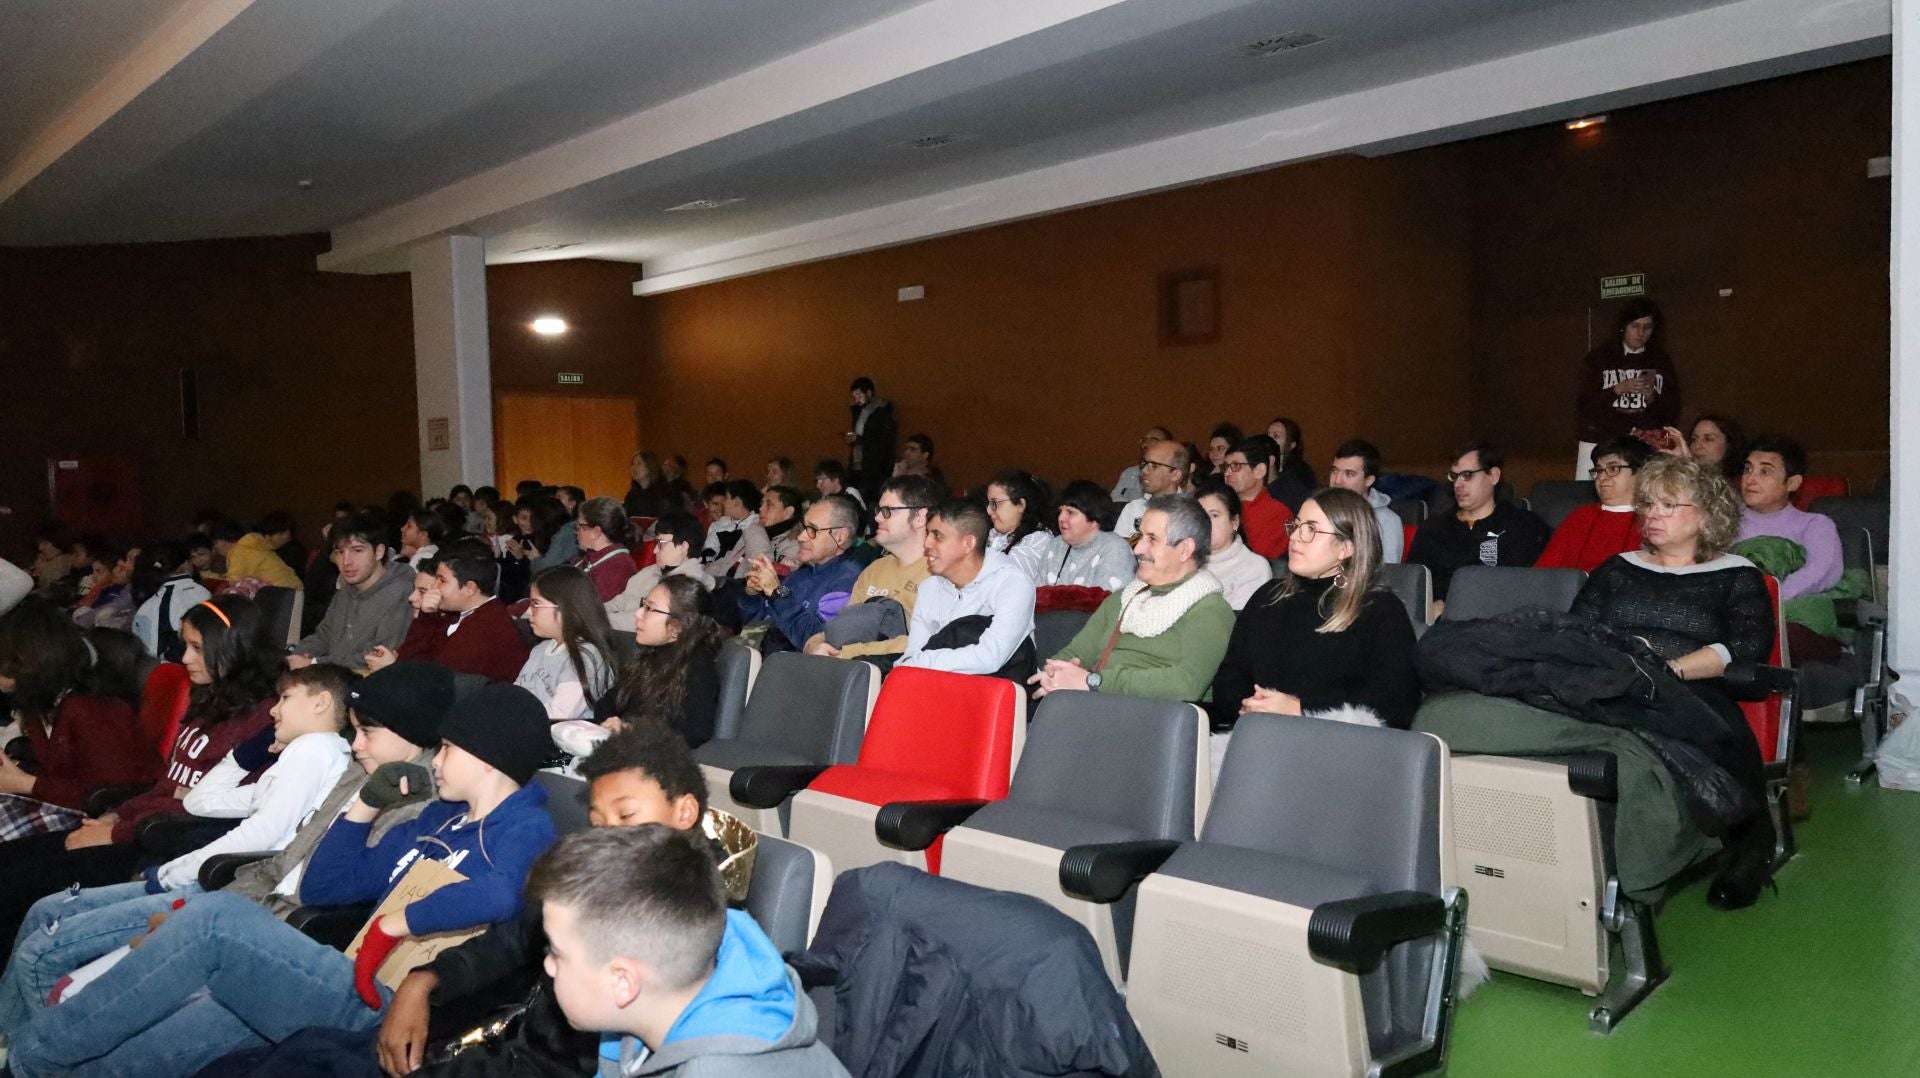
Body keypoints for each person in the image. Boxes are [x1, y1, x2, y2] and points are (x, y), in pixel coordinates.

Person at [2, 685, 559, 1078]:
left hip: (386, 1004)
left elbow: (506, 894)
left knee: (218, 920)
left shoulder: (528, 825)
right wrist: (364, 805)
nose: (435, 760)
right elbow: (324, 887)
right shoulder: (436, 818)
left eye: (449, 749)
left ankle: (23, 1060)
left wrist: (400, 919)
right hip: (346, 976)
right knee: (133, 1059)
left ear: (488, 758)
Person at [0, 662, 453, 1041]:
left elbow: (309, 883)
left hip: (268, 927)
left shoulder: (382, 786)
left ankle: (26, 1053)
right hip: (235, 900)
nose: (357, 745)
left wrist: (191, 910)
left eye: (367, 732)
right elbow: (215, 811)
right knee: (47, 936)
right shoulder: (359, 768)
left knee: (52, 965)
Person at [364, 721, 744, 1078]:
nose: (609, 834)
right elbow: (514, 939)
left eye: (626, 814)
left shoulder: (697, 924)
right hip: (484, 1039)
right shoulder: (599, 878)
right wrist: (427, 978)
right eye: (598, 821)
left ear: (684, 812)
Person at [0, 594, 277, 944]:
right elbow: (166, 785)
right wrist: (115, 816)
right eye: (185, 646)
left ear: (234, 649)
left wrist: (116, 833)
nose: (185, 658)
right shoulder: (210, 701)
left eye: (196, 647)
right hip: (137, 823)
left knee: (17, 888)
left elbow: (200, 811)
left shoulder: (260, 723)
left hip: (164, 842)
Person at [1570, 455, 1777, 910]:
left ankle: (1749, 844)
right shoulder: (1616, 569)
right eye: (1648, 505)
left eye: (1669, 505)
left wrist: (1671, 671)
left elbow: (1745, 648)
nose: (1653, 515)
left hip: (1692, 688)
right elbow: (1577, 633)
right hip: (1612, 686)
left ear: (1706, 514)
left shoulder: (1736, 576)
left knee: (1702, 727)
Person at [530, 824, 847, 1077]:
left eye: (557, 953)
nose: (548, 965)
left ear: (623, 983)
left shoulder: (720, 1070)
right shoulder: (637, 1023)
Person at [1208, 488, 1421, 738]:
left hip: (1335, 746)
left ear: (1346, 548)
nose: (1295, 537)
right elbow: (1228, 681)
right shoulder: (1268, 597)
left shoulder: (1379, 609)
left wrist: (1301, 708)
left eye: (1311, 529)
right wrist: (1251, 706)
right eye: (1296, 526)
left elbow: (1396, 702)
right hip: (1256, 737)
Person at [1032, 494, 1234, 703]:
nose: (1137, 549)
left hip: (1156, 724)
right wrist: (1056, 671)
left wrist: (1094, 681)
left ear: (1184, 549)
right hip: (1097, 708)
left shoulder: (1209, 610)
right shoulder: (1123, 598)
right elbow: (1077, 651)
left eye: (1152, 539)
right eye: (1140, 537)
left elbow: (1186, 685)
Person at [0, 599, 161, 842]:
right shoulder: (39, 705)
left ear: (26, 661)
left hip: (107, 822)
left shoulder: (93, 709)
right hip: (64, 806)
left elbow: (112, 796)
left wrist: (25, 783)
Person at [804, 476, 938, 664]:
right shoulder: (874, 570)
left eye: (887, 511)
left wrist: (847, 653)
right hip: (853, 671)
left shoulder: (939, 573)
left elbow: (926, 644)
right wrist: (814, 645)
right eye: (878, 510)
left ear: (920, 517)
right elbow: (841, 627)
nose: (877, 518)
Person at [898, 498, 1038, 678]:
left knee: (969, 629)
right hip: (937, 685)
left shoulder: (1013, 584)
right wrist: (913, 665)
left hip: (997, 689)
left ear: (968, 544)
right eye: (928, 534)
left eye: (937, 535)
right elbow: (914, 652)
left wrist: (919, 663)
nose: (927, 544)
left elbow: (990, 658)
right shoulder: (929, 587)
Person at [1409, 442, 1551, 613]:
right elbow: (1414, 585)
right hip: (1442, 623)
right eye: (1454, 477)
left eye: (1467, 475)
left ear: (1493, 476)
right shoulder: (1434, 528)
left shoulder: (1523, 525)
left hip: (1501, 622)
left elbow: (1528, 587)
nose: (1458, 485)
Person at [598, 577, 725, 748]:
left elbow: (693, 735)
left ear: (678, 626)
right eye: (643, 605)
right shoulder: (649, 657)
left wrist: (630, 731)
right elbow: (606, 705)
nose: (638, 614)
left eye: (649, 609)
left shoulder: (698, 670)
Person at [738, 495, 864, 652]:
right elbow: (754, 622)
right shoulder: (802, 574)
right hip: (761, 654)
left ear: (839, 537)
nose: (800, 536)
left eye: (812, 530)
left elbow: (813, 639)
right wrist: (752, 594)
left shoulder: (849, 580)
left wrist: (777, 593)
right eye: (804, 527)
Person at [290, 513, 416, 669]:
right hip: (333, 678)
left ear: (379, 552)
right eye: (340, 552)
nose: (346, 562)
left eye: (357, 551)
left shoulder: (401, 593)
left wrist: (314, 663)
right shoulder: (346, 590)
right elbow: (323, 636)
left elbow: (378, 655)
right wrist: (295, 656)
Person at [1576, 297, 1680, 478]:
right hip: (1602, 441)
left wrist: (1652, 398)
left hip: (1647, 443)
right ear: (1623, 326)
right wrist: (1616, 390)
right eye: (1635, 326)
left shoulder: (1661, 360)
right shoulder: (1599, 358)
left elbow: (1672, 411)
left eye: (1647, 327)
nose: (1641, 333)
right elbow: (1584, 405)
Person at [404, 541, 530, 682]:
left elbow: (421, 680)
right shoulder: (467, 615)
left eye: (442, 580)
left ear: (470, 588)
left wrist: (425, 619)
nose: (433, 586)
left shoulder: (482, 631)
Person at [1736, 435, 1843, 600]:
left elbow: (1822, 572)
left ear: (1793, 483)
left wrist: (1770, 598)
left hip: (1783, 614)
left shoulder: (1814, 525)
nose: (1750, 479)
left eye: (1765, 472)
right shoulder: (1726, 520)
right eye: (1748, 469)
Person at [1537, 436, 1652, 572]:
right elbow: (1543, 573)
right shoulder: (1579, 517)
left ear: (1640, 473)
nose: (1602, 477)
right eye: (1598, 470)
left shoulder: (1653, 519)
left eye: (1613, 469)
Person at [517, 566, 617, 720]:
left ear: (566, 607)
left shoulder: (585, 656)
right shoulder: (540, 650)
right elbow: (515, 694)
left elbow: (559, 715)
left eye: (536, 604)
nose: (529, 612)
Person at [1030, 480, 1137, 592]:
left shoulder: (1116, 549)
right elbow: (1035, 595)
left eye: (1070, 512)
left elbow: (1107, 603)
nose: (1061, 518)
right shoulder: (1055, 544)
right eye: (1060, 511)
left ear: (1094, 519)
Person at [608, 513, 713, 623]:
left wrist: (599, 622)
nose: (655, 551)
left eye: (661, 543)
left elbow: (648, 622)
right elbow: (620, 600)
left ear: (683, 547)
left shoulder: (691, 586)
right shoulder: (651, 571)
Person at [367, 556, 455, 672]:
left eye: (422, 592)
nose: (411, 597)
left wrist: (392, 666)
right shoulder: (424, 621)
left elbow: (427, 677)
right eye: (414, 589)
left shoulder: (453, 631)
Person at [1325, 438, 1405, 563]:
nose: (1337, 481)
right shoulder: (1318, 511)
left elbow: (1387, 576)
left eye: (1349, 474)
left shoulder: (1387, 521)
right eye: (1334, 471)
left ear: (1369, 480)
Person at [1194, 482, 1271, 610]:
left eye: (1214, 515)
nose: (1205, 522)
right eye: (1199, 516)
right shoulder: (1185, 559)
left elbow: (1235, 624)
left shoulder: (1255, 567)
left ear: (1235, 522)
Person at [132, 541, 213, 661]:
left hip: (150, 672)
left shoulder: (146, 604)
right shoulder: (200, 593)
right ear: (186, 564)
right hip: (183, 670)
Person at [1221, 435, 1293, 558]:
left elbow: (1259, 559)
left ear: (1259, 471)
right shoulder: (1220, 506)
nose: (1227, 473)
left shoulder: (1278, 513)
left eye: (1236, 466)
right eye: (1226, 467)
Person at [986, 469, 1055, 582]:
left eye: (995, 503)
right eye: (989, 503)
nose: (989, 510)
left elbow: (1007, 580)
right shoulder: (994, 535)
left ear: (1021, 505)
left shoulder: (1038, 540)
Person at [1114, 439, 1192, 539]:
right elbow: (1119, 550)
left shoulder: (1189, 514)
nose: (1144, 470)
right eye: (1144, 463)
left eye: (1154, 466)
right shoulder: (1134, 508)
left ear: (1175, 475)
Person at [701, 479, 772, 585]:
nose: (723, 504)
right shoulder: (720, 523)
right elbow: (712, 554)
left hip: (739, 582)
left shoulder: (757, 527)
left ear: (737, 502)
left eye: (727, 499)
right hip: (718, 575)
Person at [571, 497, 640, 603]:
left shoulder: (617, 566)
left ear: (596, 532)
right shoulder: (591, 557)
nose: (576, 531)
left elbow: (593, 610)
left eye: (579, 526)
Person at [207, 518, 303, 589]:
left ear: (226, 538)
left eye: (215, 542)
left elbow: (231, 582)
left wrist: (207, 578)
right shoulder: (252, 546)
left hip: (282, 594)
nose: (215, 548)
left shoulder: (239, 551)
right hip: (292, 589)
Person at [846, 375, 898, 504]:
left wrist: (859, 439)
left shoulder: (882, 410)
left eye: (859, 396)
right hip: (859, 461)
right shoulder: (858, 410)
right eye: (855, 397)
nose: (857, 400)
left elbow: (881, 438)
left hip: (875, 464)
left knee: (871, 499)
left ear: (869, 393)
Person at [70, 542, 138, 631]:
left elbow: (92, 617)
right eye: (117, 566)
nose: (115, 571)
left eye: (121, 568)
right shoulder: (105, 589)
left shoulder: (118, 593)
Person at [1264, 417, 1316, 511]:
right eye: (1268, 435)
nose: (1268, 440)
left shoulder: (1299, 471)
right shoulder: (1261, 465)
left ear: (1292, 445)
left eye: (1276, 436)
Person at [1110, 425, 1172, 502]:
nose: (1145, 444)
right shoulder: (1130, 473)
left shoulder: (1169, 475)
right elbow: (1114, 498)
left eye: (1152, 440)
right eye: (1144, 440)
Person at [1686, 413, 1747, 481]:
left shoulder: (1741, 485)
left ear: (1729, 445)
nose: (1697, 446)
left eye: (1708, 439)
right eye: (1694, 439)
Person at [759, 485, 806, 567]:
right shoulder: (755, 530)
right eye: (762, 503)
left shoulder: (795, 546)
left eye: (769, 504)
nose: (761, 508)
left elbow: (776, 577)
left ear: (788, 512)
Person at [625, 452, 677, 519]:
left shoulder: (665, 491)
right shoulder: (632, 494)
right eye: (632, 464)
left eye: (639, 463)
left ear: (649, 467)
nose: (634, 468)